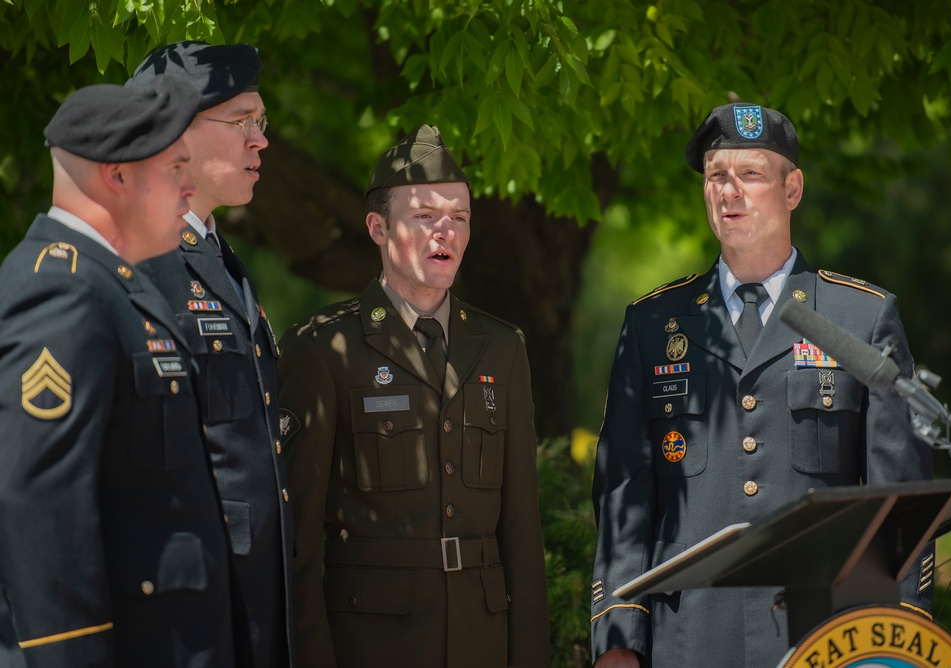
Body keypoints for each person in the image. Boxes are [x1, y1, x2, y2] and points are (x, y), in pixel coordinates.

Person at [589, 103, 935, 667]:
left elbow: (900, 506)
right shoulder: (654, 325)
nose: (730, 192)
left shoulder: (858, 319)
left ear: (792, 189)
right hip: (689, 641)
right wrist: (618, 636)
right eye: (715, 176)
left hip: (825, 640)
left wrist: (898, 641)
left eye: (750, 175)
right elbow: (623, 497)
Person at [277, 125, 550, 668]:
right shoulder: (322, 348)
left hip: (482, 642)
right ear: (378, 227)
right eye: (425, 216)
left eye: (460, 218)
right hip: (373, 646)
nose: (444, 232)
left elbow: (521, 530)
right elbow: (296, 545)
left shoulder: (501, 347)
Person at [0, 78, 238, 666]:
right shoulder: (61, 290)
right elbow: (41, 506)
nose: (190, 185)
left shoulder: (113, 283)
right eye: (175, 166)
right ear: (118, 173)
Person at [125, 41, 294, 667]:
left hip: (244, 608)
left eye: (262, 122)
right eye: (242, 122)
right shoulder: (141, 264)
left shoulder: (216, 258)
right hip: (189, 622)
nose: (261, 141)